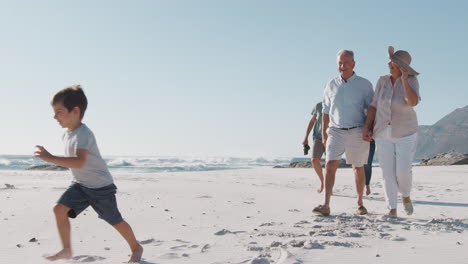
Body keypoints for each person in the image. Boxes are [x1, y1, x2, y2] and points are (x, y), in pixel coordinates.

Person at [35, 85, 143, 262]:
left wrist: (51, 158)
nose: (55, 117)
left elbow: (79, 161)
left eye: (59, 112)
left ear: (75, 111)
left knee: (115, 220)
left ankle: (136, 247)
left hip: (100, 187)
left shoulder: (83, 134)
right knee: (59, 210)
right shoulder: (67, 134)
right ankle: (67, 249)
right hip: (80, 185)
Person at [313, 49, 374, 216]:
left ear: (353, 64)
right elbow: (325, 111)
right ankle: (326, 205)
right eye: (340, 62)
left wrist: (369, 129)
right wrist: (325, 134)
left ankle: (360, 203)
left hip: (357, 130)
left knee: (358, 167)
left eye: (346, 62)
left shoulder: (365, 84)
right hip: (335, 131)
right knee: (330, 165)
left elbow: (371, 110)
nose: (342, 66)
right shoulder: (330, 84)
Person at [363, 46, 420, 218]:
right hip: (382, 132)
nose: (389, 64)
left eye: (393, 61)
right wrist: (368, 127)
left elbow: (412, 102)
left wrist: (404, 80)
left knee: (403, 171)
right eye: (390, 61)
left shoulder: (412, 81)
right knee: (387, 172)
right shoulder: (382, 81)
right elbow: (373, 106)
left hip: (405, 132)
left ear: (401, 66)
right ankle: (392, 209)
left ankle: (406, 196)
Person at [303, 102, 325, 193]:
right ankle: (323, 182)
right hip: (318, 137)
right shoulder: (319, 105)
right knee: (314, 160)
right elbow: (312, 121)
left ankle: (328, 185)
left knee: (330, 163)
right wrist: (306, 137)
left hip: (332, 138)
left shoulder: (337, 104)